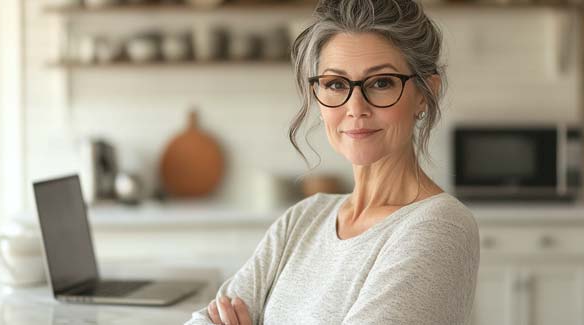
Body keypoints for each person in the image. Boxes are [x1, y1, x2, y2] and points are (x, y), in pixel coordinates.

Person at [184, 0, 479, 324]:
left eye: (381, 83)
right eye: (336, 84)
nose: (355, 107)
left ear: (425, 93)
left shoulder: (439, 226)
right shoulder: (303, 219)